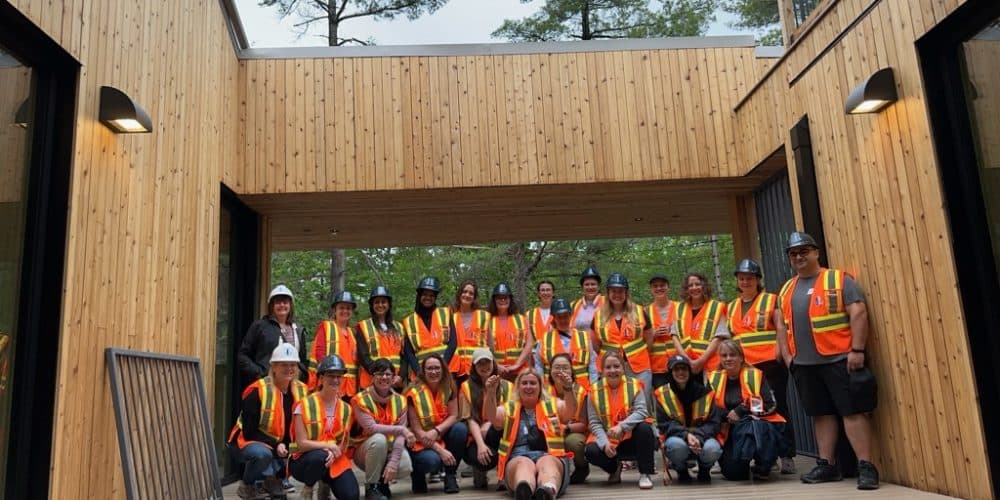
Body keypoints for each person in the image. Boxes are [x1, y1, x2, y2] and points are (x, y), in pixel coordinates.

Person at [775, 232, 879, 490]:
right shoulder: (786, 289)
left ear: (816, 252)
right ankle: (827, 464)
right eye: (793, 253)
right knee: (821, 414)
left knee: (852, 412)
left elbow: (858, 312)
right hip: (804, 365)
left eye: (803, 251)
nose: (798, 257)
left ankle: (866, 466)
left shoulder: (838, 279)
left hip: (840, 359)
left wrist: (857, 350)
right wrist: (788, 358)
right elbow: (782, 326)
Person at [728, 258, 796, 474]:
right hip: (746, 369)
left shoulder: (770, 300)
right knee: (753, 409)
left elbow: (781, 327)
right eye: (741, 278)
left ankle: (787, 455)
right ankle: (766, 454)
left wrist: (779, 351)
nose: (745, 282)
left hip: (770, 364)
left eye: (750, 278)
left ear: (758, 280)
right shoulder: (732, 306)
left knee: (778, 408)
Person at [228, 343, 309, 499]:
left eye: (292, 364)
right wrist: (276, 445)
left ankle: (274, 479)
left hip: (281, 445)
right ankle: (248, 485)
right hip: (248, 442)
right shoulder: (258, 390)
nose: (289, 368)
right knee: (262, 454)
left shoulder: (303, 391)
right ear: (274, 367)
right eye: (283, 364)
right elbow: (249, 432)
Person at [484, 369, 577, 500]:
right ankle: (524, 490)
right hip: (518, 457)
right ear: (518, 387)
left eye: (533, 383)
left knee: (547, 462)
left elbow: (570, 412)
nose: (528, 387)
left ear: (540, 387)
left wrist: (568, 388)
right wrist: (490, 392)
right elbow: (492, 416)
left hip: (549, 454)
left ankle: (548, 490)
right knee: (523, 463)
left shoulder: (553, 404)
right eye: (524, 383)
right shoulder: (509, 408)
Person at [708, 340, 787, 481]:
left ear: (741, 357)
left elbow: (770, 404)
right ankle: (742, 465)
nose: (728, 359)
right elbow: (707, 409)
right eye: (724, 355)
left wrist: (741, 410)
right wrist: (727, 415)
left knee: (757, 429)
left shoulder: (755, 375)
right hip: (728, 430)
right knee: (734, 474)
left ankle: (763, 464)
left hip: (754, 427)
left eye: (732, 355)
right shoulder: (713, 378)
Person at [288, 354, 358, 500]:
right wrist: (328, 447)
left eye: (339, 376)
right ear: (321, 378)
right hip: (305, 461)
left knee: (351, 495)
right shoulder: (304, 405)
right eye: (331, 375)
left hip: (333, 459)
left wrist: (334, 452)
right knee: (320, 457)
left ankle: (325, 484)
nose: (336, 380)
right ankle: (308, 489)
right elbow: (301, 444)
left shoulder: (346, 409)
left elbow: (343, 443)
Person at [584, 352, 656, 490]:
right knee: (591, 451)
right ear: (602, 370)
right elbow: (594, 422)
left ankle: (645, 474)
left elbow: (642, 411)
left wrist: (622, 427)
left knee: (645, 428)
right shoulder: (593, 391)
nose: (612, 370)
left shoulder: (634, 385)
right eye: (608, 367)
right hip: (608, 439)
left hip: (630, 437)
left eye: (616, 366)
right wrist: (604, 444)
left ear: (623, 368)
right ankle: (614, 468)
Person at [351, 358, 415, 500]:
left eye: (388, 374)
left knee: (405, 466)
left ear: (393, 378)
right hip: (365, 451)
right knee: (379, 439)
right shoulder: (360, 399)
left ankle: (382, 482)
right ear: (372, 377)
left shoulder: (400, 400)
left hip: (390, 449)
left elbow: (400, 436)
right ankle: (371, 487)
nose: (384, 377)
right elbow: (371, 428)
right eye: (380, 374)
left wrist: (393, 463)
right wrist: (402, 430)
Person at [654, 355, 723, 484]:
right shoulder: (662, 394)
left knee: (713, 449)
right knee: (676, 447)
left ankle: (704, 470)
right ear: (670, 372)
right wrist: (686, 435)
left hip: (703, 437)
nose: (681, 372)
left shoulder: (705, 392)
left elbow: (714, 423)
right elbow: (664, 424)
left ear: (690, 371)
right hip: (677, 438)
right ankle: (681, 471)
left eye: (684, 369)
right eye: (676, 369)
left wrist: (697, 437)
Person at [405, 353, 468, 494]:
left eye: (437, 368)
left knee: (460, 429)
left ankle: (450, 475)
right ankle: (417, 475)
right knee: (433, 461)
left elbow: (453, 415)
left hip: (439, 434)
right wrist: (440, 450)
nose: (434, 372)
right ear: (423, 371)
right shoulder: (412, 393)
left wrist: (437, 431)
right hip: (420, 440)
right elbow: (417, 431)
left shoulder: (449, 387)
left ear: (443, 369)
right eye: (430, 368)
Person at [591, 273, 653, 403]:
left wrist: (638, 353)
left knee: (642, 402)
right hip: (610, 367)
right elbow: (596, 345)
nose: (617, 294)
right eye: (613, 291)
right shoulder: (598, 315)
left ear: (626, 292)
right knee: (614, 402)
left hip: (639, 366)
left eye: (620, 291)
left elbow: (649, 338)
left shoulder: (639, 311)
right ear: (608, 293)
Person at [459, 348, 513, 489]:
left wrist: (490, 423)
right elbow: (469, 418)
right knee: (481, 457)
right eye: (480, 363)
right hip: (476, 435)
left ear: (493, 363)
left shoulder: (507, 386)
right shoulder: (466, 387)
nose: (484, 366)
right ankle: (479, 471)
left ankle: (503, 475)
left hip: (498, 431)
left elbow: (509, 414)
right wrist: (481, 445)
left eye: (487, 362)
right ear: (474, 366)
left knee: (505, 428)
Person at [237, 285, 308, 387]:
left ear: (290, 305)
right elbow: (243, 356)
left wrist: (302, 376)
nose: (282, 305)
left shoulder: (298, 330)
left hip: (292, 386)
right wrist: (260, 373)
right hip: (267, 385)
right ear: (272, 306)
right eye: (278, 302)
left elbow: (302, 361)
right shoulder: (260, 326)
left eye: (285, 302)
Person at [672, 272, 730, 375]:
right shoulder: (679, 308)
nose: (694, 288)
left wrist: (701, 360)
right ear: (686, 289)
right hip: (686, 365)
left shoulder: (716, 307)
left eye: (697, 284)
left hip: (710, 363)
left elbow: (719, 337)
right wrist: (687, 360)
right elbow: (674, 336)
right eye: (690, 285)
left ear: (704, 286)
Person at [545, 353, 590, 484]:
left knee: (574, 443)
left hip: (572, 431)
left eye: (565, 368)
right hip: (547, 431)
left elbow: (584, 424)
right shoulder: (543, 390)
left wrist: (566, 428)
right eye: (557, 367)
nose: (561, 371)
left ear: (571, 371)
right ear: (550, 370)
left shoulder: (581, 392)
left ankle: (582, 467)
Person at [535, 298, 596, 390]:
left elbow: (592, 364)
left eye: (565, 316)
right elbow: (539, 365)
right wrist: (541, 388)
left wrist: (594, 387)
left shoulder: (584, 337)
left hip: (581, 390)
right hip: (552, 391)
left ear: (570, 316)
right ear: (554, 318)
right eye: (559, 317)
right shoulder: (545, 339)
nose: (563, 320)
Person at [402, 276, 456, 380]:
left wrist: (442, 367)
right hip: (421, 374)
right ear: (419, 295)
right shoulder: (408, 321)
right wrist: (420, 373)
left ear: (435, 298)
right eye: (425, 294)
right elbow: (409, 352)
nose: (428, 298)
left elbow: (453, 343)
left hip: (446, 371)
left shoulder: (445, 313)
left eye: (431, 295)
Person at [310, 291, 360, 397]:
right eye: (341, 308)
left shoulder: (353, 333)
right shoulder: (326, 327)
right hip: (330, 385)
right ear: (335, 310)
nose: (345, 311)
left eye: (348, 308)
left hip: (350, 388)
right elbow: (320, 354)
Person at [356, 285, 406, 391]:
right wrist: (380, 375)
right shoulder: (363, 326)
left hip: (395, 382)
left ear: (389, 304)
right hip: (372, 382)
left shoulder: (399, 327)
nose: (380, 305)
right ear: (372, 305)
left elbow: (404, 357)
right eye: (377, 302)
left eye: (383, 302)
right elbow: (363, 357)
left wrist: (401, 376)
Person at [488, 283, 532, 380]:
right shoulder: (487, 320)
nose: (503, 300)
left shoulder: (522, 319)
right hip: (495, 372)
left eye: (505, 297)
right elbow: (484, 346)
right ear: (494, 300)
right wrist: (496, 365)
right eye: (499, 298)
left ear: (510, 299)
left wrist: (517, 365)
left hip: (520, 371)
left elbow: (529, 344)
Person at [450, 280, 490, 383]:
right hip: (456, 371)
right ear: (459, 294)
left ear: (474, 297)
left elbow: (491, 345)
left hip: (479, 368)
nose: (467, 295)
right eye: (464, 292)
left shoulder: (484, 316)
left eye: (471, 293)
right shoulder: (451, 318)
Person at [647, 274, 678, 388]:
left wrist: (673, 330)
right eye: (655, 286)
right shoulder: (645, 311)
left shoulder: (680, 308)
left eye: (662, 285)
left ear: (668, 287)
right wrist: (653, 334)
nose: (659, 288)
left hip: (679, 363)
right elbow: (641, 341)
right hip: (657, 366)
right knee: (661, 397)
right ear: (651, 289)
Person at [571, 266, 604, 333]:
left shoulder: (607, 302)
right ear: (582, 287)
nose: (590, 287)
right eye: (587, 284)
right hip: (578, 339)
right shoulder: (573, 305)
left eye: (593, 284)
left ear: (599, 286)